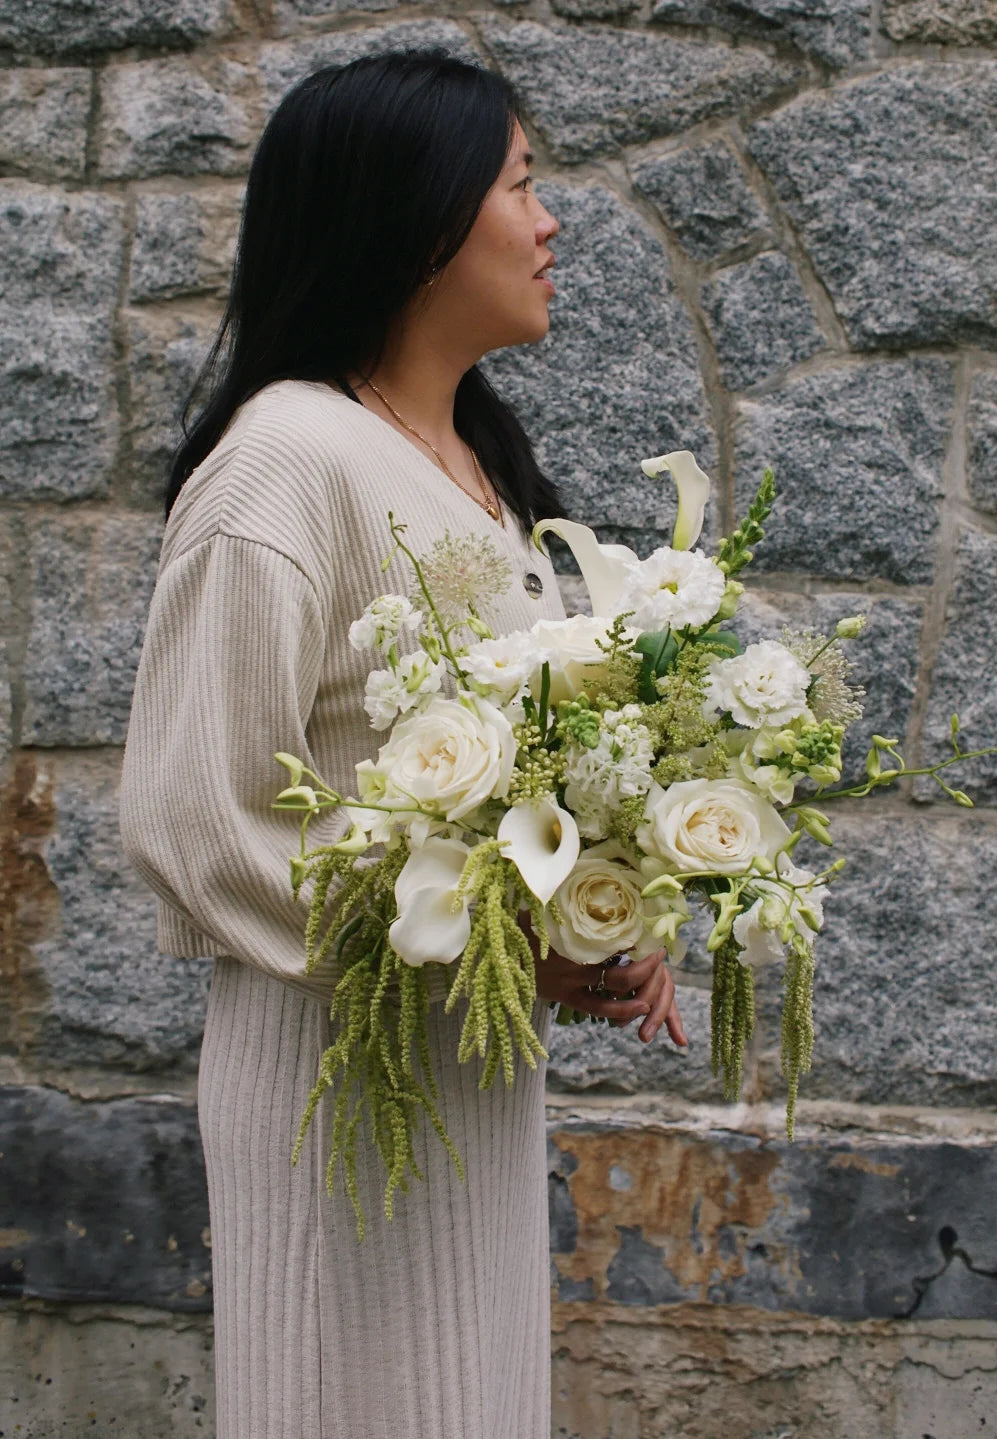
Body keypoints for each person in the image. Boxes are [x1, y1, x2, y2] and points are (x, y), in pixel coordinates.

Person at [119, 49, 687, 1439]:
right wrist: (497, 942)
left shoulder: (478, 473)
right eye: (520, 186)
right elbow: (199, 817)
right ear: (418, 217)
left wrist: (606, 897)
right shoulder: (286, 463)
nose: (550, 223)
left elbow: (497, 791)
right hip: (336, 1066)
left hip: (466, 1067)